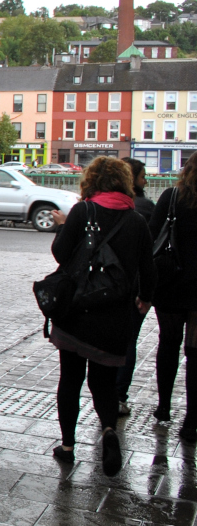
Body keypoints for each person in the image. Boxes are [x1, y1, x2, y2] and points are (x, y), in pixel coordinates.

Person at [49, 156, 156, 474]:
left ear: (91, 181)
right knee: (104, 383)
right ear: (125, 183)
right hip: (114, 316)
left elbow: (60, 253)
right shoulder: (136, 220)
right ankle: (109, 431)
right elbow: (148, 271)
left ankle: (67, 447)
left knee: (70, 378)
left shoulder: (83, 211)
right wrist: (145, 300)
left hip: (76, 312)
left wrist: (65, 226)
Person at [147, 155, 197, 443]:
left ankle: (164, 407)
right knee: (196, 355)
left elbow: (152, 235)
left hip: (171, 282)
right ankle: (191, 420)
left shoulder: (172, 196)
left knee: (168, 344)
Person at [114, 157, 155, 414]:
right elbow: (149, 259)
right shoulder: (147, 208)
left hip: (106, 285)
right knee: (129, 341)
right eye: (142, 177)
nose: (146, 181)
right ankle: (119, 395)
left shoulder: (93, 206)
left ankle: (105, 393)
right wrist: (147, 294)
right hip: (134, 287)